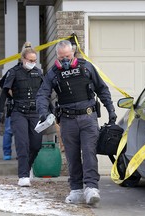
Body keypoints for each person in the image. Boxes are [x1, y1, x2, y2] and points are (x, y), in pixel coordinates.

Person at [36, 40, 117, 206]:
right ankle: (76, 190)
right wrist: (43, 113)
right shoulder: (53, 74)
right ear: (57, 57)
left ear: (72, 54)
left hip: (88, 118)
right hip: (67, 120)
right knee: (72, 156)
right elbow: (42, 94)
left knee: (89, 153)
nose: (65, 60)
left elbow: (102, 89)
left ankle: (91, 188)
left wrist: (111, 109)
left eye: (67, 56)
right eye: (61, 57)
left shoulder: (86, 67)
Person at [0, 42, 43, 187]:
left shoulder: (39, 73)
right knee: (22, 143)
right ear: (23, 59)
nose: (32, 63)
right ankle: (23, 176)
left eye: (34, 60)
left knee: (36, 145)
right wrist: (0, 110)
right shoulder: (14, 72)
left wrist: (51, 109)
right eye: (30, 60)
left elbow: (44, 93)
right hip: (18, 112)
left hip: (35, 112)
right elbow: (4, 91)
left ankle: (27, 167)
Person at [0, 79, 14, 160]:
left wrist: (0, 111)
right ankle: (7, 154)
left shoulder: (12, 74)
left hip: (13, 106)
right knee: (9, 131)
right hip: (13, 107)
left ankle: (8, 154)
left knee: (9, 131)